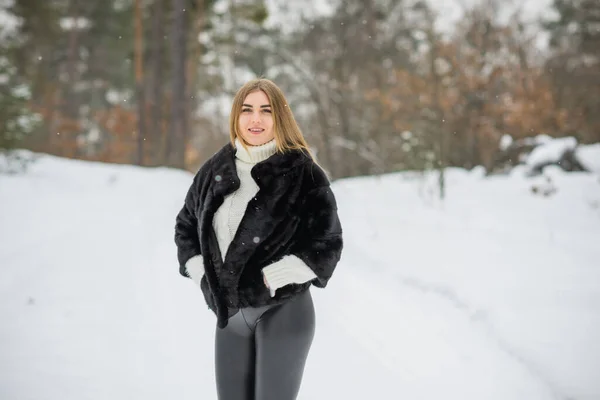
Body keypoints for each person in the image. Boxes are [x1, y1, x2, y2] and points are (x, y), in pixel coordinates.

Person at [174, 78, 343, 400]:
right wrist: (198, 270)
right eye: (247, 110)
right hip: (228, 314)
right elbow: (186, 226)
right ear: (236, 116)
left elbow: (328, 241)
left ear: (279, 117)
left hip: (283, 309)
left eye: (266, 111)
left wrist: (287, 272)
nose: (256, 119)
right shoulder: (215, 170)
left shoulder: (303, 172)